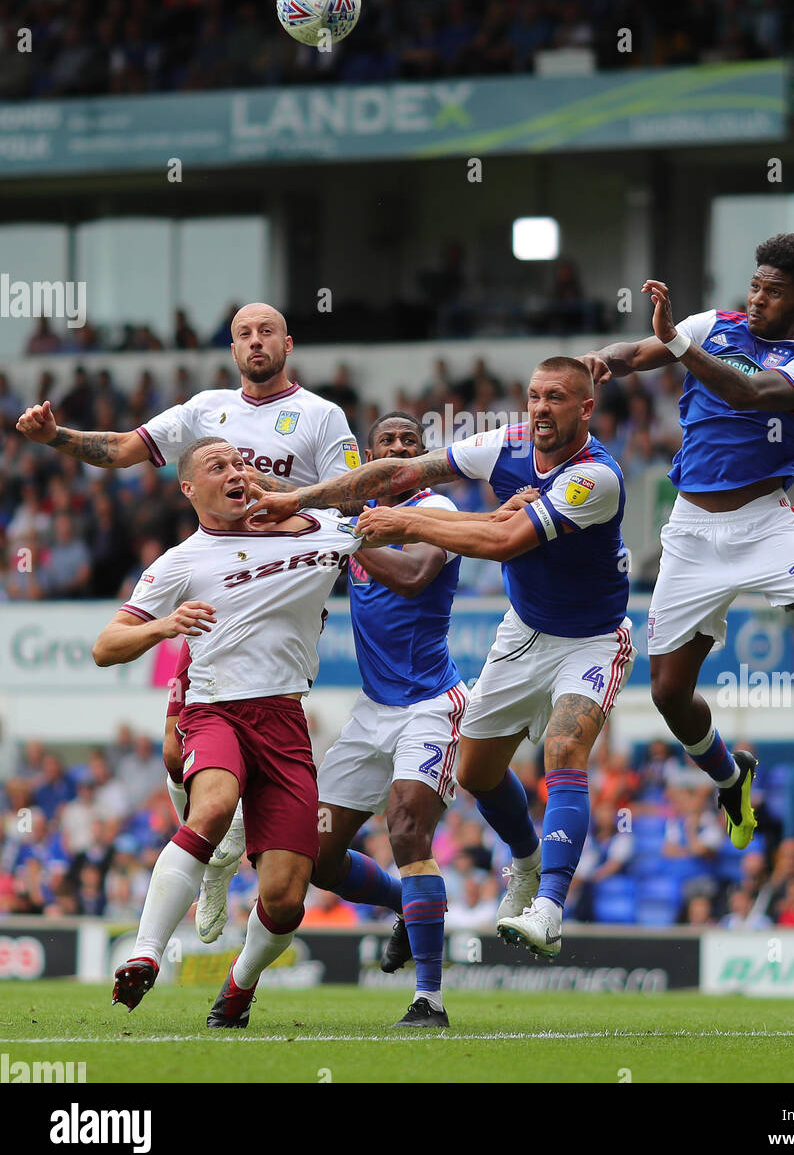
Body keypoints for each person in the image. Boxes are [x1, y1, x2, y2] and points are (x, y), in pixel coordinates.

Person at [247, 355, 636, 960]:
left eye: (556, 398)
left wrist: (401, 520)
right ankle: (528, 861)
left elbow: (503, 542)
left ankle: (549, 907)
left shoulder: (594, 477)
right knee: (478, 774)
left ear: (586, 407)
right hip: (523, 631)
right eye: (533, 395)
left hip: (591, 637)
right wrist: (298, 496)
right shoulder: (501, 445)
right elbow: (398, 475)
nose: (539, 408)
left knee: (563, 748)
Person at [16, 302, 360, 942]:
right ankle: (211, 867)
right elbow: (122, 448)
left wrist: (283, 505)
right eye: (242, 334)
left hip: (279, 587)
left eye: (266, 332)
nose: (255, 343)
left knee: (228, 774)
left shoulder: (321, 416)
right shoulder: (206, 410)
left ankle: (227, 858)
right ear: (232, 348)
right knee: (177, 750)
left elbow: (349, 498)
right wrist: (55, 439)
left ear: (288, 341)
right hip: (210, 593)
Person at [576, 235, 794, 852]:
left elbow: (750, 393)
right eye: (756, 285)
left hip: (765, 523)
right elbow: (636, 352)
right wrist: (593, 363)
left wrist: (679, 344)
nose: (759, 297)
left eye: (775, 291)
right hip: (690, 532)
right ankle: (730, 777)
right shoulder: (711, 325)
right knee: (667, 695)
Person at [96, 436, 363, 1025]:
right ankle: (146, 953)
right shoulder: (181, 562)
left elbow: (390, 518)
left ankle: (239, 984)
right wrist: (164, 625)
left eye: (242, 463)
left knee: (286, 899)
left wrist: (489, 520)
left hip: (286, 720)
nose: (238, 472)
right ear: (190, 489)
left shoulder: (317, 525)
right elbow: (105, 646)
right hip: (215, 709)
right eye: (219, 466)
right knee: (212, 806)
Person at [310, 412, 470, 1028]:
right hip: (370, 710)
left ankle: (428, 999)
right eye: (388, 442)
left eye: (410, 440)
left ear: (421, 454)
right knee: (317, 856)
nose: (400, 447)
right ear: (368, 457)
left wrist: (349, 534)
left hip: (431, 703)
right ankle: (407, 905)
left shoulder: (439, 513)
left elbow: (413, 575)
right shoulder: (355, 514)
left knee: (406, 832)